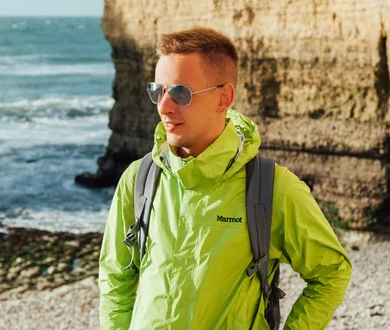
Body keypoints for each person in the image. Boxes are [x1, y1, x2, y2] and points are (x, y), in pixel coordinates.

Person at [98, 27, 352, 329]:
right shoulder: (139, 179)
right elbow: (116, 277)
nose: (164, 107)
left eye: (180, 93)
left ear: (223, 98)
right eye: (158, 91)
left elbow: (331, 273)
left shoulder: (273, 189)